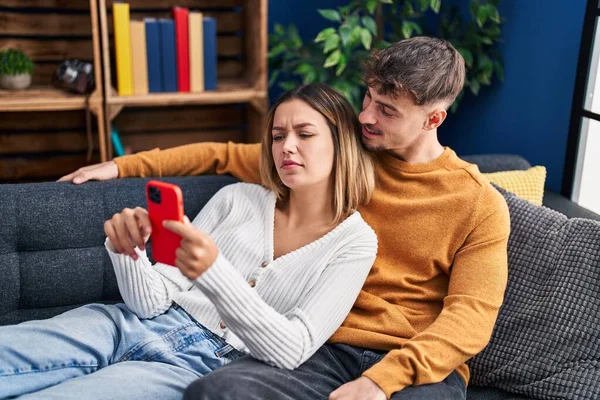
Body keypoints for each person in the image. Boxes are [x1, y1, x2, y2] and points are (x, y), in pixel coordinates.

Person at [60, 36, 510, 400]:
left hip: (416, 361)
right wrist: (121, 166)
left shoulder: (477, 204)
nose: (366, 116)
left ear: (434, 118)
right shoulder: (338, 153)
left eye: (387, 111)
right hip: (322, 347)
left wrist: (383, 380)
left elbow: (470, 318)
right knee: (217, 391)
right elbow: (221, 156)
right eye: (368, 98)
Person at [0, 84, 378, 399]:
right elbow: (152, 302)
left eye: (305, 134)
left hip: (199, 366)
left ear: (341, 142)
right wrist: (127, 252)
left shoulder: (355, 243)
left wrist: (214, 272)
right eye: (278, 136)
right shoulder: (237, 199)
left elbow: (292, 349)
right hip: (126, 323)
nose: (286, 147)